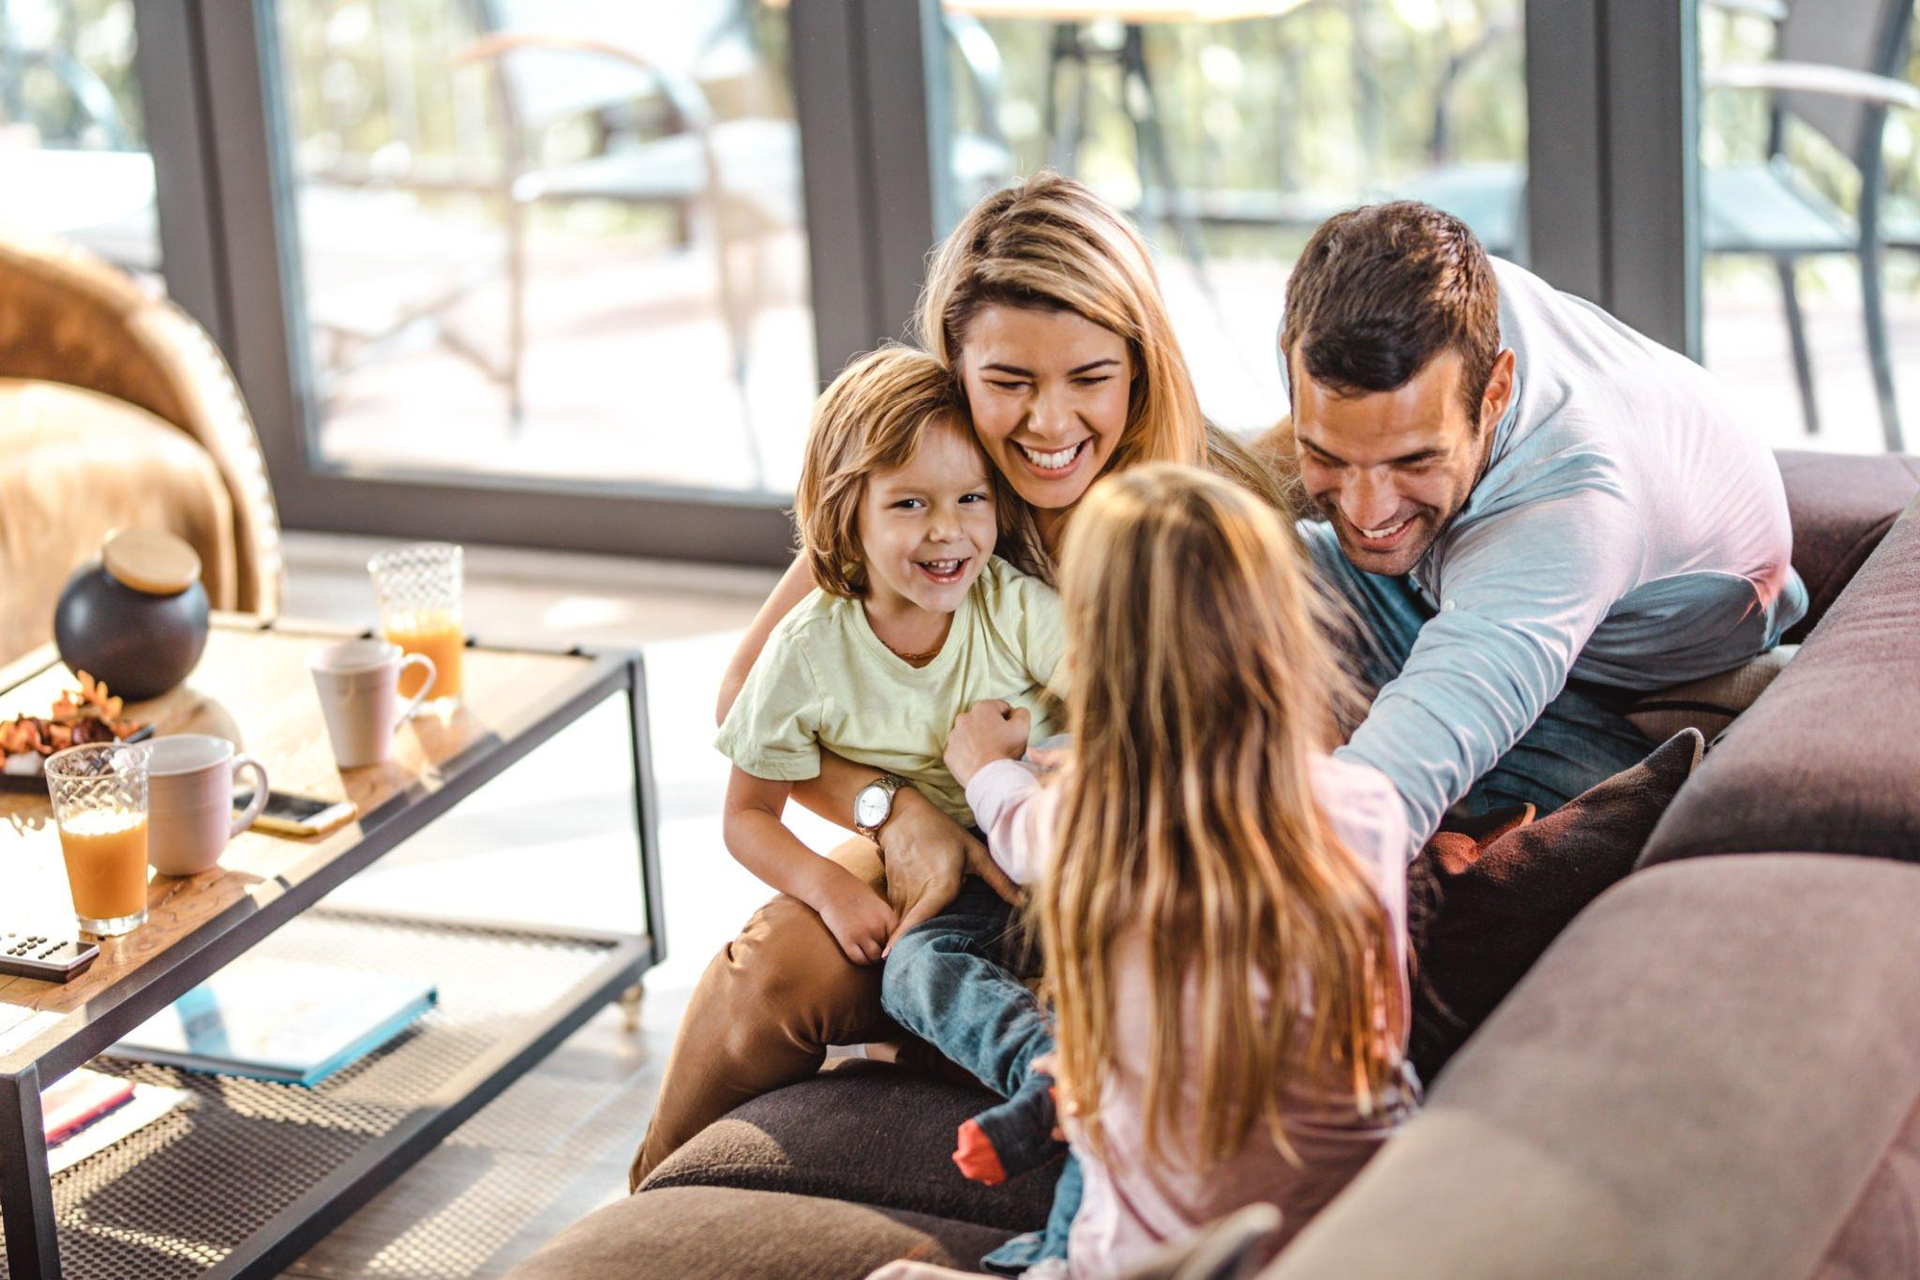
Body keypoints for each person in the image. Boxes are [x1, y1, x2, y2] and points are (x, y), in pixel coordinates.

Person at [630, 172, 1282, 1188]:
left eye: (1090, 377)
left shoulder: (1199, 518)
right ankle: (634, 1222)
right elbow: (748, 701)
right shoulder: (930, 494)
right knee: (772, 969)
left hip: (1107, 859)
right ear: (957, 368)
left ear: (1143, 369)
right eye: (1009, 379)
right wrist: (889, 810)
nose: (1049, 420)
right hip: (941, 839)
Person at [873, 464, 1417, 1280]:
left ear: (1097, 647)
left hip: (1135, 1259)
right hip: (1352, 1224)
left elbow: (1022, 835)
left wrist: (989, 768)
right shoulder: (1369, 808)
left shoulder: (1091, 822)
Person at [1274, 202, 1806, 850]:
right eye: (1328, 456)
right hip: (1533, 598)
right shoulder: (1379, 313)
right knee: (1220, 561)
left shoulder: (1567, 514)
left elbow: (1378, 804)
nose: (1366, 512)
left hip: (1644, 677)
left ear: (1495, 392)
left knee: (1626, 827)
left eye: (1414, 460)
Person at [716, 344, 1066, 969]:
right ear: (847, 514)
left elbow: (1119, 693)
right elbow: (747, 813)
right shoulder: (806, 651)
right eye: (910, 503)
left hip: (1058, 846)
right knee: (911, 971)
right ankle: (1029, 1062)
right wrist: (830, 889)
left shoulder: (1009, 605)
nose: (947, 530)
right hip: (952, 882)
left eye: (971, 498)